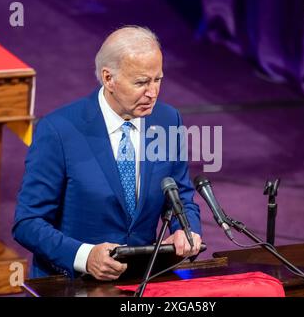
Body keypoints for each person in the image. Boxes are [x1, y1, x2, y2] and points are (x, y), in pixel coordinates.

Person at [12, 26, 202, 280]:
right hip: (71, 283)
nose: (153, 93)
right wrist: (85, 256)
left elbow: (181, 197)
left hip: (143, 281)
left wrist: (185, 229)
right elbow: (27, 222)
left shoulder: (168, 120)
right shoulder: (58, 131)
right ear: (108, 78)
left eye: (158, 80)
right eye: (141, 82)